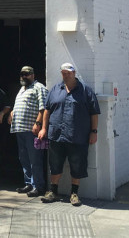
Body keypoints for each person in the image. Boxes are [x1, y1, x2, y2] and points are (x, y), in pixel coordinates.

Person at [38, 62, 100, 206]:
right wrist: (43, 128)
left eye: (68, 73)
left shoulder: (85, 91)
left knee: (77, 165)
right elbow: (47, 110)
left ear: (74, 73)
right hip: (56, 135)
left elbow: (94, 113)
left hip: (78, 136)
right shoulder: (55, 89)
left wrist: (94, 131)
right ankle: (53, 191)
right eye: (63, 73)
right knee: (55, 164)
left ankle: (74, 193)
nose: (66, 75)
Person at [9, 66, 48, 197]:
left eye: (27, 74)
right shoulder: (22, 89)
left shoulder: (39, 87)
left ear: (33, 75)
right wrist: (12, 113)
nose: (24, 77)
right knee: (24, 158)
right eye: (22, 74)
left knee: (35, 159)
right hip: (19, 129)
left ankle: (38, 186)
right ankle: (29, 183)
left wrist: (38, 123)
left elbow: (44, 108)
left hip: (32, 130)